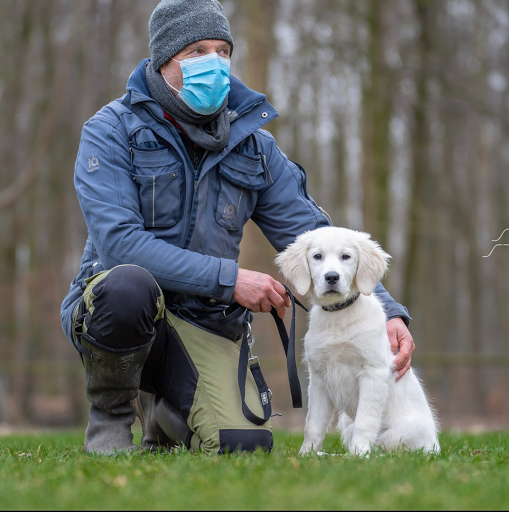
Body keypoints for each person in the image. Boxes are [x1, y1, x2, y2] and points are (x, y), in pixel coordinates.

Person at [60, 0, 413, 455]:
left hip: (206, 319)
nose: (216, 63)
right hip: (118, 308)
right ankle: (111, 417)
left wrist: (387, 311)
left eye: (223, 51)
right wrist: (230, 280)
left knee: (243, 445)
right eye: (198, 51)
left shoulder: (255, 146)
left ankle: (166, 414)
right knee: (127, 286)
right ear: (162, 60)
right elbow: (118, 244)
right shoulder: (110, 130)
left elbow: (312, 233)